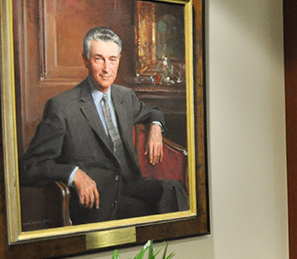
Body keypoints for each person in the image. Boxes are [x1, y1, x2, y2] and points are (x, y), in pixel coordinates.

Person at [19, 26, 189, 225]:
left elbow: (153, 112)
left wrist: (155, 126)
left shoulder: (125, 96)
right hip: (95, 198)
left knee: (172, 191)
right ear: (85, 60)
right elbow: (29, 167)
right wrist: (74, 174)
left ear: (119, 60)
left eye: (112, 59)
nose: (107, 68)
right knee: (148, 216)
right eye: (98, 59)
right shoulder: (62, 107)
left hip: (130, 184)